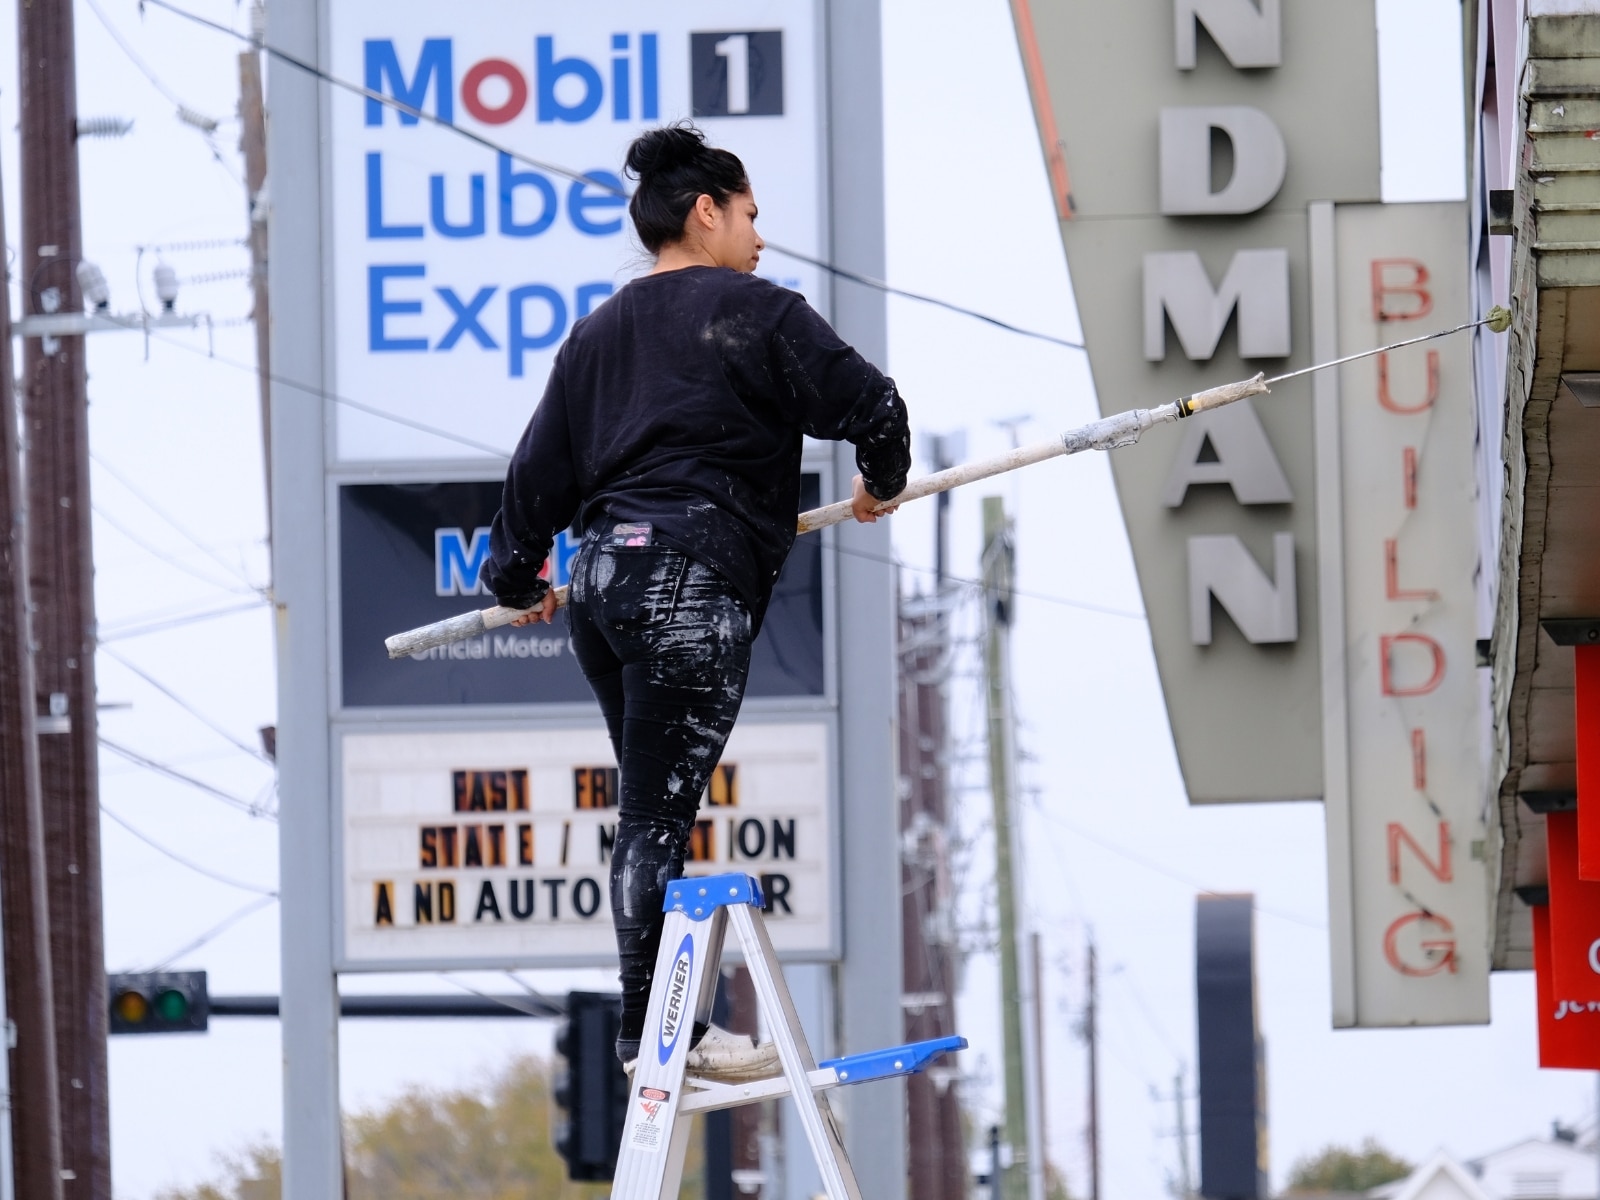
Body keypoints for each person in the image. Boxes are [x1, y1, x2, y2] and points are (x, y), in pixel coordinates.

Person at [480, 122, 911, 1078]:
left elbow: (533, 481)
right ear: (706, 212)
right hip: (689, 580)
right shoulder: (759, 312)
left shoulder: (595, 336)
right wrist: (881, 483)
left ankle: (653, 1025)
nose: (761, 236)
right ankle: (657, 1032)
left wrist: (517, 579)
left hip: (603, 583)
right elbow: (877, 407)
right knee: (655, 819)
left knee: (648, 812)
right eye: (751, 214)